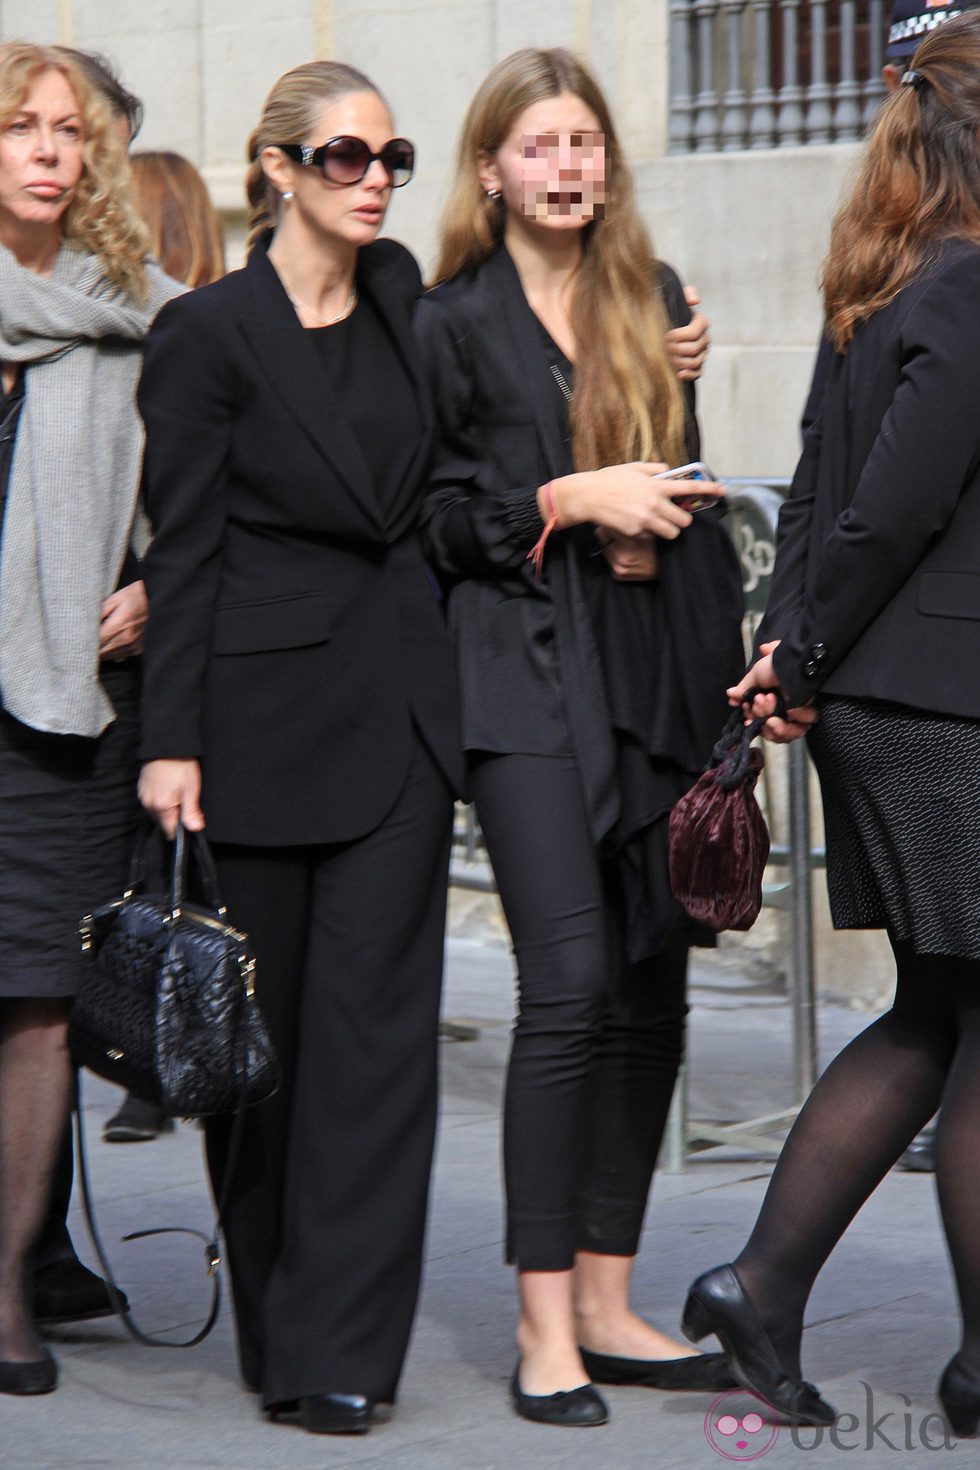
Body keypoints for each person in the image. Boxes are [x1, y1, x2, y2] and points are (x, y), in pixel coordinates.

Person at [416, 47, 745, 1427]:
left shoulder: (651, 302)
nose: (569, 164)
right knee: (563, 982)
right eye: (540, 143)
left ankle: (611, 1296)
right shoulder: (448, 323)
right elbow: (430, 524)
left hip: (654, 675)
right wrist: (564, 493)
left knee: (650, 982)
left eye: (585, 142)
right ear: (490, 166)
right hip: (519, 683)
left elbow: (690, 490)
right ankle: (543, 1316)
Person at [136, 60, 463, 1437]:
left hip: (398, 715)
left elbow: (460, 464)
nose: (376, 176)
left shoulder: (409, 306)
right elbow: (187, 549)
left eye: (392, 153)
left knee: (378, 1053)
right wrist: (170, 740)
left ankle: (344, 1348)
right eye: (344, 155)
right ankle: (278, 1315)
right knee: (255, 1054)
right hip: (255, 724)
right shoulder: (209, 334)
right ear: (275, 170)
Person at [682, 15, 980, 1438]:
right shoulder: (970, 285)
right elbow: (891, 505)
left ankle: (764, 1286)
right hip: (947, 709)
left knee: (940, 1009)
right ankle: (944, 1352)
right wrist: (797, 648)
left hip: (889, 697)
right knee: (961, 1018)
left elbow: (810, 490)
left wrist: (790, 651)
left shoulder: (877, 277)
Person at [0, 40, 180, 1395]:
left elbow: (215, 501)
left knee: (41, 1008)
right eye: (22, 126)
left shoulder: (145, 318)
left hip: (65, 712)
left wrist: (154, 588)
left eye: (69, 131)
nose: (51, 149)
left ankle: (7, 1287)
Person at [102, 150, 225, 1146]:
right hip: (175, 643)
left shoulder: (184, 331)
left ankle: (154, 1052)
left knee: (154, 856)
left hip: (162, 647)